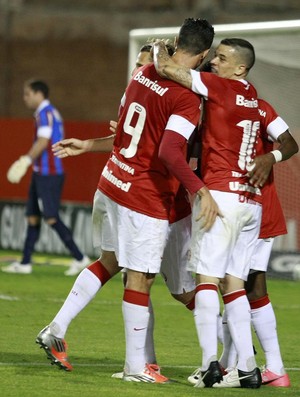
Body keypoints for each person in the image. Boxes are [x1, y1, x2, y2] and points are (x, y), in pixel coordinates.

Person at [35, 31, 221, 381]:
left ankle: (57, 328)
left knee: (113, 263)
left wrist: (90, 144)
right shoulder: (187, 97)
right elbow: (168, 151)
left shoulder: (142, 77)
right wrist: (201, 189)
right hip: (147, 196)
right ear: (204, 54)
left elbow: (127, 133)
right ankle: (140, 367)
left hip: (112, 183)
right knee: (148, 279)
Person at [154, 37, 270, 388]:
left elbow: (166, 69)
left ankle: (209, 364)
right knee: (234, 282)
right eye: (214, 57)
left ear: (240, 68)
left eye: (221, 58)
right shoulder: (258, 101)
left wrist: (160, 47)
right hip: (251, 204)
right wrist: (273, 157)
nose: (214, 63)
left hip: (221, 199)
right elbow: (288, 140)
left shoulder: (220, 87)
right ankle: (248, 366)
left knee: (206, 280)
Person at [187, 97, 298, 387]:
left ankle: (266, 366)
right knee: (238, 282)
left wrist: (269, 157)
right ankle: (235, 363)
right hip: (249, 204)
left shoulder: (246, 108)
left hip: (252, 204)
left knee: (241, 283)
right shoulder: (221, 113)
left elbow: (289, 143)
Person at [3, 79, 90, 276]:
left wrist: (25, 160)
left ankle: (80, 258)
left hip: (48, 173)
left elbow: (43, 142)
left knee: (50, 217)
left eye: (27, 94)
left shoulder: (45, 113)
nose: (25, 98)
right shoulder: (49, 113)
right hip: (40, 172)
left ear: (37, 94)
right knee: (32, 217)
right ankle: (25, 263)